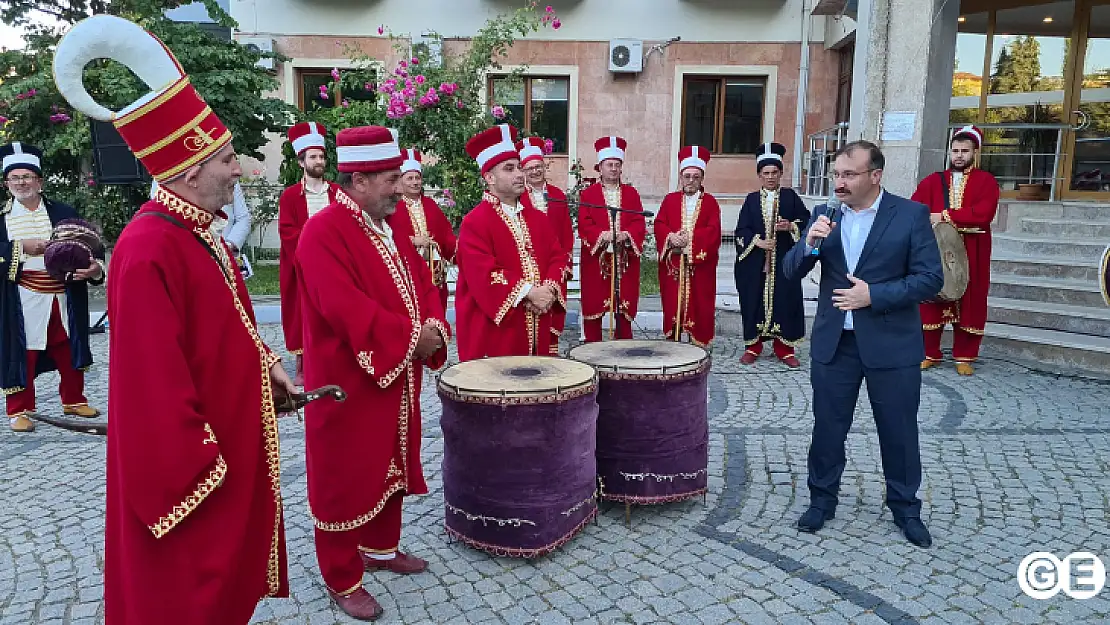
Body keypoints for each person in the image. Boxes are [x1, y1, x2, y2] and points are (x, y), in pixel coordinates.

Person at [54, 14, 296, 624]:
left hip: (230, 454)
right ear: (190, 168)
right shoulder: (148, 249)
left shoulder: (199, 234)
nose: (238, 170)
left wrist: (267, 373)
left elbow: (231, 330)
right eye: (226, 159)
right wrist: (206, 468)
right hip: (199, 478)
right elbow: (152, 391)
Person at [296, 126, 450, 621]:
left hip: (396, 374)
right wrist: (412, 339)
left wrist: (432, 324)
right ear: (358, 180)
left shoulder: (395, 219)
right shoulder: (321, 232)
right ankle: (341, 576)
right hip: (348, 383)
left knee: (393, 461)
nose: (401, 186)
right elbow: (345, 308)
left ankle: (381, 549)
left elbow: (424, 279)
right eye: (390, 178)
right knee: (345, 473)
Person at [782, 140, 943, 549]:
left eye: (849, 174)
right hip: (836, 344)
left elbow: (931, 280)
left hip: (891, 344)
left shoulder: (910, 215)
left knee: (899, 430)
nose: (839, 182)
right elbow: (789, 272)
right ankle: (822, 500)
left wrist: (875, 295)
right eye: (836, 174)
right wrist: (809, 244)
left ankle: (905, 508)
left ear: (875, 175)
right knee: (828, 427)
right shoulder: (824, 215)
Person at [1, 141, 103, 433]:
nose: (22, 183)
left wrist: (95, 268)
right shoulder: (2, 220)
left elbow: (90, 247)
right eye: (15, 178)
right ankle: (19, 409)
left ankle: (74, 399)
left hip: (64, 293)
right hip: (22, 297)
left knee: (69, 347)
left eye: (27, 176)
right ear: (7, 183)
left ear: (40, 180)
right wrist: (19, 247)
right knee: (24, 352)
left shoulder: (63, 211)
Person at [455, 124, 566, 361]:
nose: (519, 174)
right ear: (489, 177)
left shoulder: (537, 217)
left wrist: (548, 289)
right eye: (509, 169)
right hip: (498, 332)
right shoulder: (474, 223)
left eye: (518, 167)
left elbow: (557, 256)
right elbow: (483, 274)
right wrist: (529, 292)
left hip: (538, 325)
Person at [913, 125, 1000, 375]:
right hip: (938, 248)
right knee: (932, 296)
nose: (959, 155)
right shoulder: (933, 181)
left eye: (964, 150)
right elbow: (915, 208)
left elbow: (983, 214)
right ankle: (929, 352)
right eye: (955, 150)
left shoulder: (987, 182)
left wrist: (943, 215)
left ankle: (965, 355)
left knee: (971, 297)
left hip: (974, 249)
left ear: (975, 152)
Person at [734, 142, 811, 368]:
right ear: (759, 175)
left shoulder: (791, 197)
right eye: (765, 173)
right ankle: (753, 346)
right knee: (753, 301)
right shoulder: (750, 200)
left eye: (774, 173)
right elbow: (741, 230)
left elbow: (806, 222)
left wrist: (790, 227)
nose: (770, 177)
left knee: (785, 302)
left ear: (780, 173)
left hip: (784, 262)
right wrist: (757, 241)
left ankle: (784, 348)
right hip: (756, 264)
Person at [279, 121, 343, 386]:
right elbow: (287, 232)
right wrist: (311, 251)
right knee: (303, 312)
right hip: (303, 265)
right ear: (301, 162)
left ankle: (335, 358)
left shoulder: (337, 193)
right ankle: (303, 365)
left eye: (321, 156)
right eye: (313, 157)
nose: (319, 161)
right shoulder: (291, 197)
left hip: (334, 262)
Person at [578, 136, 646, 342]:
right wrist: (602, 235)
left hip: (624, 257)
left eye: (617, 165)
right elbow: (584, 223)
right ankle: (592, 348)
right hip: (596, 259)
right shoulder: (588, 195)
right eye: (609, 165)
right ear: (600, 167)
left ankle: (623, 346)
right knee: (594, 302)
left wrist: (626, 234)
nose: (614, 169)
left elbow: (638, 221)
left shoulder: (632, 194)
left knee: (623, 303)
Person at [654, 145, 721, 346]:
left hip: (699, 265)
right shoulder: (670, 200)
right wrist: (670, 237)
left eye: (695, 176)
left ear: (702, 178)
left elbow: (714, 231)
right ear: (681, 177)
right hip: (674, 262)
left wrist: (690, 240)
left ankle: (697, 341)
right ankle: (673, 339)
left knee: (700, 303)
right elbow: (659, 223)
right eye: (687, 176)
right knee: (673, 301)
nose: (690, 181)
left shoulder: (710, 203)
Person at [517, 136, 573, 354]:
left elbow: (566, 232)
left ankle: (550, 354)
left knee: (552, 312)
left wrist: (565, 262)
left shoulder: (558, 195)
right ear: (523, 171)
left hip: (554, 265)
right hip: (529, 265)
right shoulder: (519, 198)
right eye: (530, 168)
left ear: (544, 166)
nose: (535, 172)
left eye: (538, 167)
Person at [388, 146, 457, 313]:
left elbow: (447, 236)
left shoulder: (431, 205)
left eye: (417, 178)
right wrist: (412, 240)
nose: (415, 182)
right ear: (401, 181)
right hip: (407, 271)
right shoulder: (392, 206)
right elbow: (387, 236)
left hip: (434, 272)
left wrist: (461, 252)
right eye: (409, 178)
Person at [151, 178, 252, 254]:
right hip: (185, 256)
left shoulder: (228, 177)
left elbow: (243, 218)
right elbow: (162, 218)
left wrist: (229, 245)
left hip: (224, 257)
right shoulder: (164, 178)